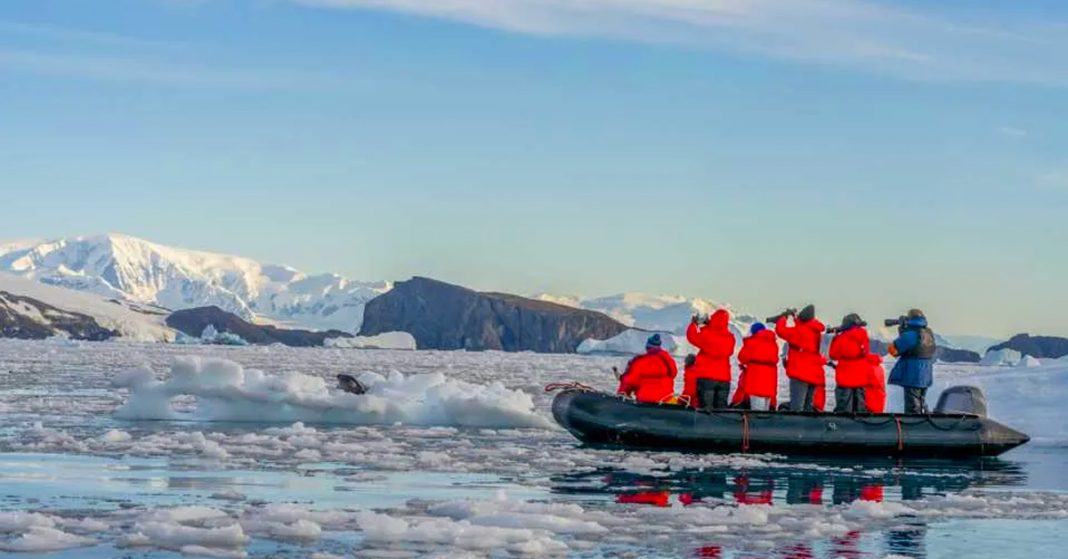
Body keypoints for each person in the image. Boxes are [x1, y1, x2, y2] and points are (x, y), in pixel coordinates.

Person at [774, 304, 827, 412]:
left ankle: (796, 428)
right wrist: (794, 317)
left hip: (800, 373)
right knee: (808, 407)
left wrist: (783, 318)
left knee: (797, 408)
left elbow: (781, 330)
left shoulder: (800, 331)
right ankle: (808, 428)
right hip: (813, 374)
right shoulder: (814, 331)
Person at [684, 309, 736, 409]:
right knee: (721, 410)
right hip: (724, 379)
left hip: (706, 377)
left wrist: (694, 324)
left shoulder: (707, 334)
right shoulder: (730, 338)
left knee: (706, 409)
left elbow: (692, 337)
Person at [888, 309, 935, 414]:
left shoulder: (909, 335)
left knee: (912, 405)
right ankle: (925, 422)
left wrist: (902, 332)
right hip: (926, 374)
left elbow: (893, 351)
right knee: (921, 401)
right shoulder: (929, 333)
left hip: (912, 374)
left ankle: (913, 426)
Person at [617, 334, 679, 404]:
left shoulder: (639, 362)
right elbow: (673, 374)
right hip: (667, 400)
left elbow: (628, 382)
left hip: (645, 401)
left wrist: (622, 394)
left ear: (647, 347)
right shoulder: (668, 360)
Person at [827, 313, 870, 413]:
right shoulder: (863, 335)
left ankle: (844, 426)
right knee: (860, 406)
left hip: (845, 377)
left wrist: (835, 338)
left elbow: (833, 355)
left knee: (844, 408)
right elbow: (866, 353)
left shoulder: (842, 338)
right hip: (860, 377)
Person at [736, 322, 779, 411]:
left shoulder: (752, 342)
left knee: (756, 411)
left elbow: (742, 357)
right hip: (770, 382)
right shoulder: (773, 344)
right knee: (766, 410)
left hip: (756, 381)